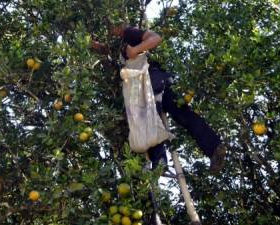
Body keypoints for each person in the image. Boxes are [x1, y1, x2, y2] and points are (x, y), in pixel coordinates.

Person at [91, 22, 226, 175]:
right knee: (179, 115)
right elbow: (108, 50)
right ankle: (213, 147)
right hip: (156, 82)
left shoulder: (129, 33)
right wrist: (94, 45)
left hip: (152, 81)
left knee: (148, 119)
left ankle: (160, 161)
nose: (111, 30)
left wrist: (135, 50)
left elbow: (155, 38)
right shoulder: (120, 44)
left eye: (112, 26)